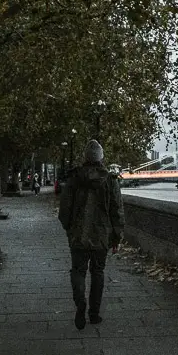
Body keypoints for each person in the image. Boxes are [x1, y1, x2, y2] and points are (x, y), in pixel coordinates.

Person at [58, 140, 124, 330]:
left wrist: (70, 229)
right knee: (98, 272)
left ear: (85, 158)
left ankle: (80, 303)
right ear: (101, 158)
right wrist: (116, 237)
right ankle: (94, 314)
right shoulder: (110, 181)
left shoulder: (74, 179)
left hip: (78, 234)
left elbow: (64, 210)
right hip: (101, 235)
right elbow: (117, 211)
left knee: (78, 271)